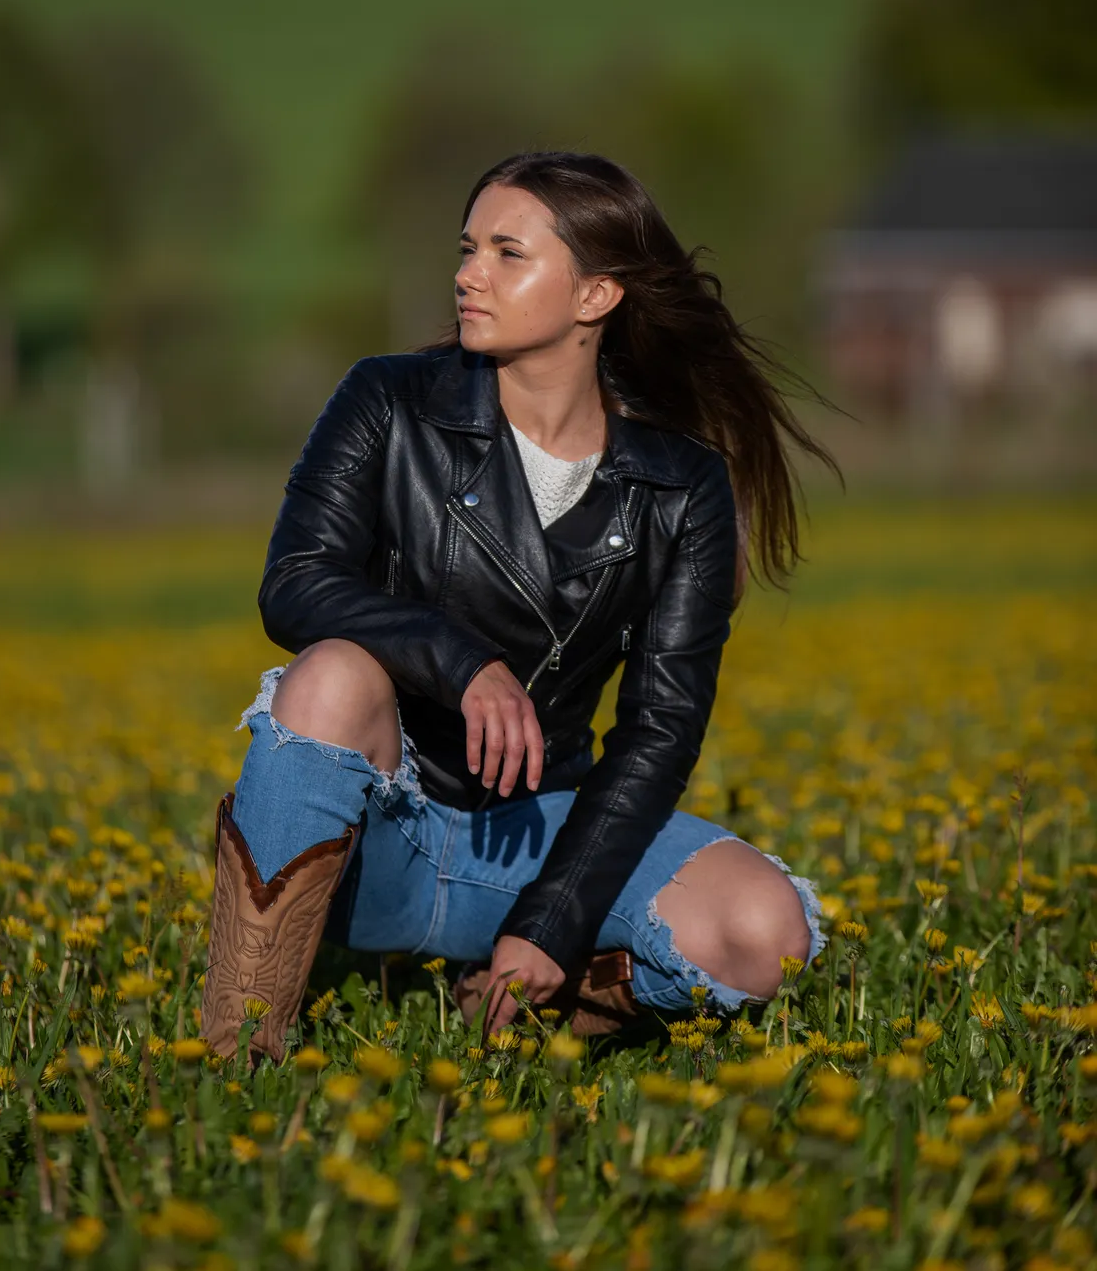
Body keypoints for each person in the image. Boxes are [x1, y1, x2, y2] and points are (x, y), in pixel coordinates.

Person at [201, 150, 836, 1064]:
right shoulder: (386, 402)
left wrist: (552, 919)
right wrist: (461, 661)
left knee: (763, 930)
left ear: (595, 297)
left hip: (540, 838)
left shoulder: (684, 487)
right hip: (376, 836)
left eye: (507, 253)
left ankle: (523, 1001)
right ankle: (238, 1061)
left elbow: (661, 731)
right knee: (332, 674)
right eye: (468, 249)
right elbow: (295, 582)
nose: (467, 274)